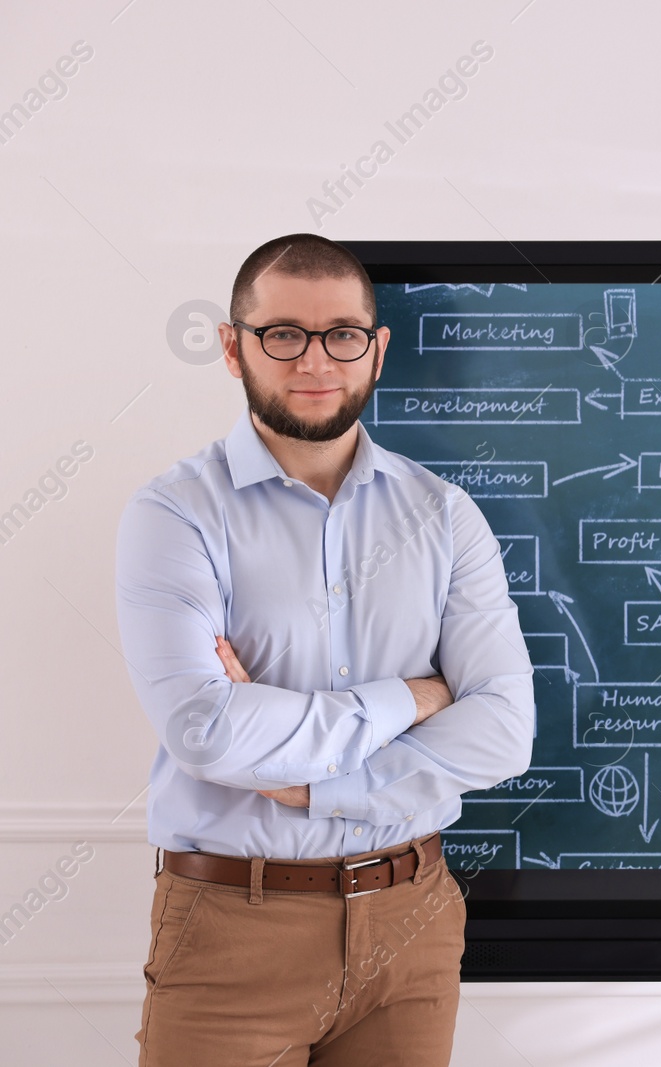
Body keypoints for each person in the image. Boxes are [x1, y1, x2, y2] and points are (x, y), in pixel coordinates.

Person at [114, 233, 536, 1065]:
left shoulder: (445, 516)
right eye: (284, 335)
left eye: (342, 334)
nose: (315, 360)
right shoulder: (175, 515)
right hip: (232, 926)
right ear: (234, 348)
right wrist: (412, 698)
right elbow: (203, 728)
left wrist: (319, 784)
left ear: (375, 351)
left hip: (411, 922)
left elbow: (503, 730)